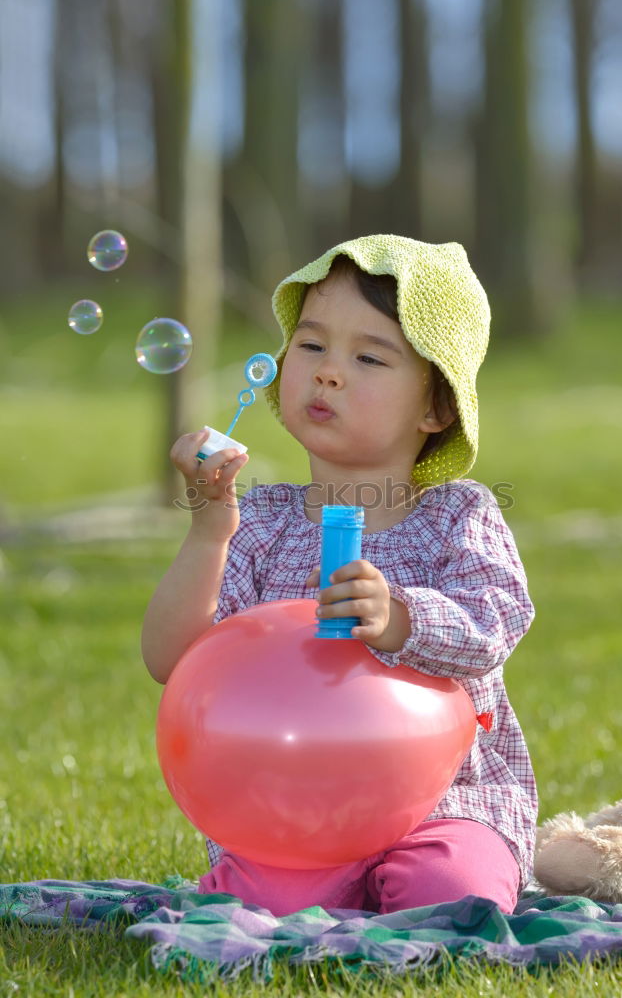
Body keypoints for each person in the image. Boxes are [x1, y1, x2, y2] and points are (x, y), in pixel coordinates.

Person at [141, 234, 536, 916]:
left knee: (449, 897)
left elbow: (496, 621)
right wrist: (210, 531)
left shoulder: (458, 516)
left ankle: (440, 875)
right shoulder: (257, 523)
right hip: (293, 812)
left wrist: (400, 618)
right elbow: (171, 660)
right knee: (261, 907)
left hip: (447, 803)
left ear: (435, 408)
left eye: (369, 356)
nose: (328, 372)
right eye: (313, 346)